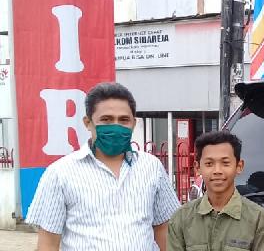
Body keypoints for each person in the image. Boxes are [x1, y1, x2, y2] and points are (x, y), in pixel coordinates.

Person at [26, 82, 180, 250]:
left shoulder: (152, 167)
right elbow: (48, 243)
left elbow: (164, 229)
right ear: (88, 123)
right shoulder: (60, 173)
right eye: (106, 120)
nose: (116, 127)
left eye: (124, 120)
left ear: (134, 123)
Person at [168, 130, 264, 251]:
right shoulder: (181, 219)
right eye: (209, 163)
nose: (217, 171)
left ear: (239, 166)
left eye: (225, 163)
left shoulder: (259, 219)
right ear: (197, 168)